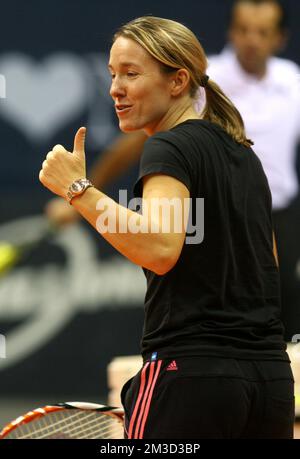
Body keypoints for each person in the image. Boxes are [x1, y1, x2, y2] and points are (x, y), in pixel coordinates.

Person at [40, 16, 294, 439]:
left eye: (131, 74)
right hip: (271, 383)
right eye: (112, 74)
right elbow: (269, 267)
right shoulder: (246, 156)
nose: (114, 89)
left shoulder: (168, 145)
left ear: (177, 82)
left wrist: (77, 189)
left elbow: (159, 248)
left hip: (190, 378)